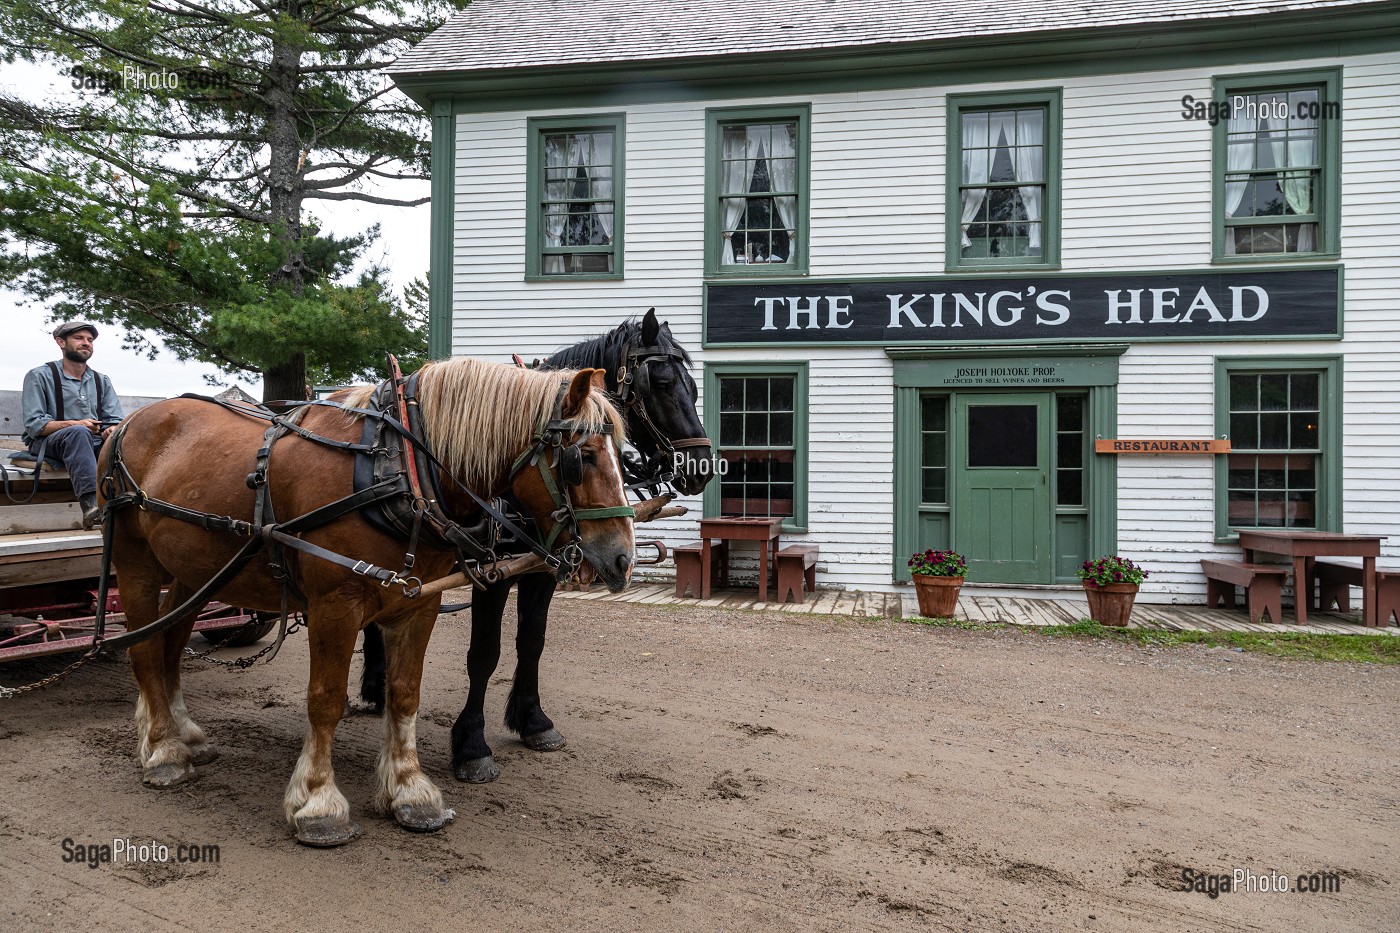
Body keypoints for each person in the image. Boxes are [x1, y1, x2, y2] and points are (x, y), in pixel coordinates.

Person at [20, 321, 124, 529]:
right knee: (77, 432)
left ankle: (133, 503)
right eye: (79, 338)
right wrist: (76, 424)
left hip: (90, 442)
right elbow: (34, 425)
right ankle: (91, 506)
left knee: (124, 438)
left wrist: (110, 430)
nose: (86, 343)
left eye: (90, 340)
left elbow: (114, 420)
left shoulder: (101, 380)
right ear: (60, 342)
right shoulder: (39, 375)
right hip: (47, 442)